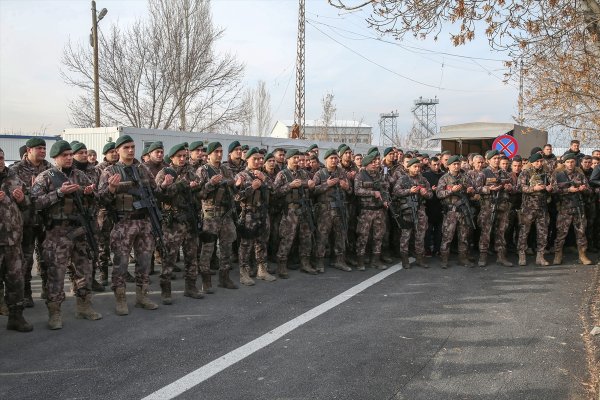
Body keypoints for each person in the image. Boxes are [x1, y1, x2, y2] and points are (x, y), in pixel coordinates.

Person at [31, 140, 102, 329]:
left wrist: (89, 194)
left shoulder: (80, 175)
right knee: (56, 274)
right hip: (57, 234)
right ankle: (55, 313)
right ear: (55, 158)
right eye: (65, 155)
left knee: (84, 270)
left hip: (79, 230)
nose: (69, 158)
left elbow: (96, 202)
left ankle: (84, 306)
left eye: (71, 154)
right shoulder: (45, 177)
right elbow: (35, 204)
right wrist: (59, 193)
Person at [98, 135, 161, 316]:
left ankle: (142, 297)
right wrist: (111, 189)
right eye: (126, 147)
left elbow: (155, 192)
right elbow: (101, 199)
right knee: (121, 263)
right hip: (123, 223)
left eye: (133, 147)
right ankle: (121, 299)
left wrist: (162, 186)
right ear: (117, 150)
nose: (131, 150)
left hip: (144, 222)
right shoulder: (109, 171)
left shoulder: (142, 169)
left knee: (144, 262)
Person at [154, 144, 205, 303]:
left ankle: (191, 287)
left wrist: (196, 187)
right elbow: (160, 195)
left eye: (184, 155)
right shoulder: (165, 173)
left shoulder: (190, 171)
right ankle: (166, 290)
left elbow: (199, 187)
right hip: (173, 222)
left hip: (189, 218)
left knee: (191, 255)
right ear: (172, 158)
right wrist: (181, 185)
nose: (182, 159)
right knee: (169, 256)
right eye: (179, 156)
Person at [10, 138, 52, 306]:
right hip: (25, 222)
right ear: (28, 150)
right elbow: (13, 194)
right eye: (39, 148)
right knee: (26, 259)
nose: (42, 151)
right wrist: (29, 192)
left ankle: (46, 288)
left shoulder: (50, 168)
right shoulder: (15, 170)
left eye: (44, 148)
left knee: (46, 257)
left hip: (45, 220)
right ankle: (26, 291)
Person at [196, 142, 240, 290]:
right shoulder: (203, 170)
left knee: (226, 246)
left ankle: (224, 278)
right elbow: (199, 194)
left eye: (221, 151)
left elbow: (233, 187)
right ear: (208, 155)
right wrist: (210, 184)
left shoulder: (225, 169)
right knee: (207, 249)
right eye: (216, 152)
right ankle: (206, 281)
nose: (219, 154)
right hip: (210, 215)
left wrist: (234, 183)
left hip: (226, 214)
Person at [0, 148, 33, 332]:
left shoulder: (14, 178)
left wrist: (22, 199)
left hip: (12, 241)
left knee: (16, 281)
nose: (0, 161)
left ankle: (16, 318)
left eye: (2, 158)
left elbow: (29, 203)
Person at [235, 148, 276, 285]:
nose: (258, 161)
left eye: (260, 159)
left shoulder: (263, 175)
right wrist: (252, 187)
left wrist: (264, 180)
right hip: (249, 214)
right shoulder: (241, 175)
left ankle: (262, 270)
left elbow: (274, 190)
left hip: (263, 213)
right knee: (246, 245)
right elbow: (236, 197)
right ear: (247, 159)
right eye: (255, 159)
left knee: (262, 243)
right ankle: (244, 273)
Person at [273, 149, 316, 277]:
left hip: (303, 208)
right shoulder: (282, 174)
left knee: (306, 237)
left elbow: (311, 192)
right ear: (288, 159)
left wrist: (312, 186)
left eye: (298, 158)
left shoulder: (303, 173)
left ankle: (305, 263)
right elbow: (274, 193)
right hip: (290, 211)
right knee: (287, 237)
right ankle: (281, 265)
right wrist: (289, 186)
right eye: (295, 158)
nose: (297, 160)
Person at [312, 149, 352, 273]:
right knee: (322, 236)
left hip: (340, 210)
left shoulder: (342, 172)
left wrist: (346, 187)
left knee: (340, 235)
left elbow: (350, 191)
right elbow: (312, 191)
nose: (334, 160)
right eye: (331, 158)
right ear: (326, 160)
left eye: (335, 158)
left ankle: (339, 260)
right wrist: (326, 184)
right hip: (325, 211)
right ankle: (319, 262)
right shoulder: (320, 173)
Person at [550, 153, 592, 265]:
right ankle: (558, 255)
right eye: (568, 162)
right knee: (561, 233)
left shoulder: (580, 175)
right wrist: (568, 190)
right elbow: (553, 190)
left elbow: (589, 191)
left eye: (572, 162)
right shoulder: (558, 175)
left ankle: (582, 255)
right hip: (564, 209)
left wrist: (583, 189)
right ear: (564, 163)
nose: (570, 164)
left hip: (579, 208)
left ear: (575, 163)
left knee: (581, 233)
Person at [436, 155, 476, 268]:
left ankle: (463, 258)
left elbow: (472, 190)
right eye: (454, 164)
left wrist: (470, 191)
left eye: (458, 164)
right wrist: (451, 191)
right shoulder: (444, 178)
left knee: (464, 236)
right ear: (448, 166)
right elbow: (439, 194)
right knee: (447, 237)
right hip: (451, 212)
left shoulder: (465, 177)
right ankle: (444, 259)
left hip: (463, 211)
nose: (457, 166)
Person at [392, 158, 433, 268]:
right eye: (415, 167)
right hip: (407, 211)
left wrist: (425, 193)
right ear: (408, 167)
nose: (417, 169)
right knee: (406, 235)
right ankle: (405, 259)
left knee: (420, 235)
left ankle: (420, 258)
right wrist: (409, 191)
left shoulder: (423, 180)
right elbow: (395, 192)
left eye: (419, 167)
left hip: (420, 210)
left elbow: (430, 195)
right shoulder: (403, 179)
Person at [476, 150, 514, 267]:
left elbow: (514, 188)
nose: (497, 160)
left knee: (501, 232)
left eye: (498, 158)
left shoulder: (505, 174)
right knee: (486, 232)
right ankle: (483, 256)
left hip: (503, 207)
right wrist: (489, 189)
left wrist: (509, 188)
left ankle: (501, 256)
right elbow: (476, 188)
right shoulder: (484, 173)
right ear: (489, 160)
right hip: (488, 208)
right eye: (494, 159)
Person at [354, 153, 390, 270]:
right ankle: (360, 261)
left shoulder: (379, 175)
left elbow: (384, 190)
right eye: (372, 162)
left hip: (379, 210)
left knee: (378, 236)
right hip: (366, 211)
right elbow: (357, 190)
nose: (375, 164)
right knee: (363, 236)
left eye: (376, 162)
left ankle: (376, 260)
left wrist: (385, 200)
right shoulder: (360, 176)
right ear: (367, 164)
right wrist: (372, 193)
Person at [516, 153, 552, 266]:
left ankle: (540, 256)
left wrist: (550, 188)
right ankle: (521, 254)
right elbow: (520, 187)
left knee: (543, 232)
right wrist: (534, 188)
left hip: (542, 208)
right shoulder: (525, 173)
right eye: (537, 161)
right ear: (532, 162)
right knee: (524, 232)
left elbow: (554, 186)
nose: (539, 163)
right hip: (528, 208)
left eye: (541, 161)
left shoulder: (546, 173)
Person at [423, 157, 444, 256]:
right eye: (434, 165)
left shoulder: (443, 175)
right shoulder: (425, 176)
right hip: (429, 206)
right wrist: (430, 190)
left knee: (439, 231)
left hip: (440, 206)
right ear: (430, 165)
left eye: (438, 164)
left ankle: (437, 249)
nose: (436, 167)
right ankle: (427, 249)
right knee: (428, 231)